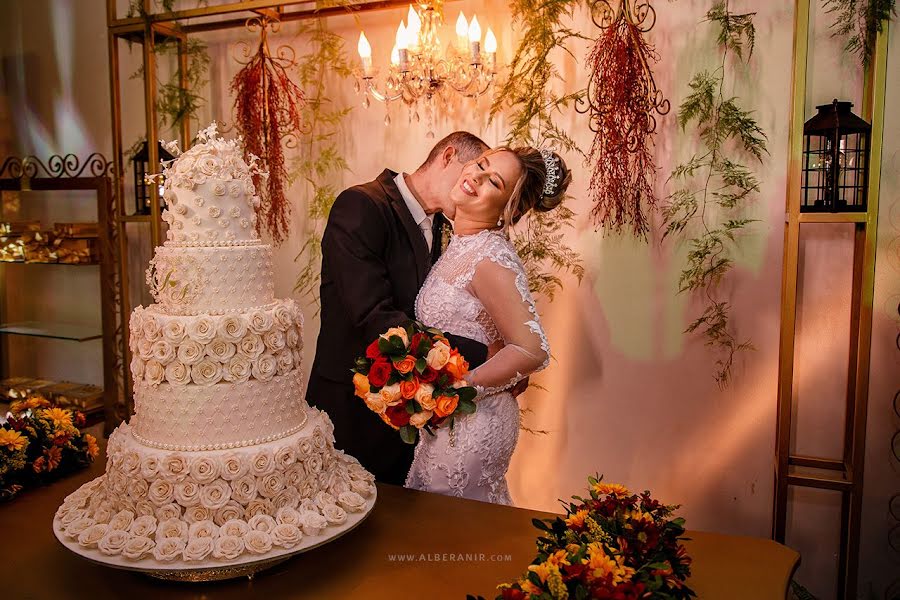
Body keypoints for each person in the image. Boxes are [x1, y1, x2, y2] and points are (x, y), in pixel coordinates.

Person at [307, 132, 492, 485]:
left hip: (406, 410)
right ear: (447, 156)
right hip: (351, 410)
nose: (473, 190)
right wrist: (488, 355)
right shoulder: (362, 206)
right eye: (472, 177)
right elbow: (376, 318)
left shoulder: (441, 223)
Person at [405, 146, 572, 505]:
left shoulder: (490, 257)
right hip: (452, 423)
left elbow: (531, 349)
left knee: (453, 537)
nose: (476, 177)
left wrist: (458, 391)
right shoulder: (462, 244)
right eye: (480, 165)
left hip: (472, 426)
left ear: (504, 211)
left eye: (493, 181)